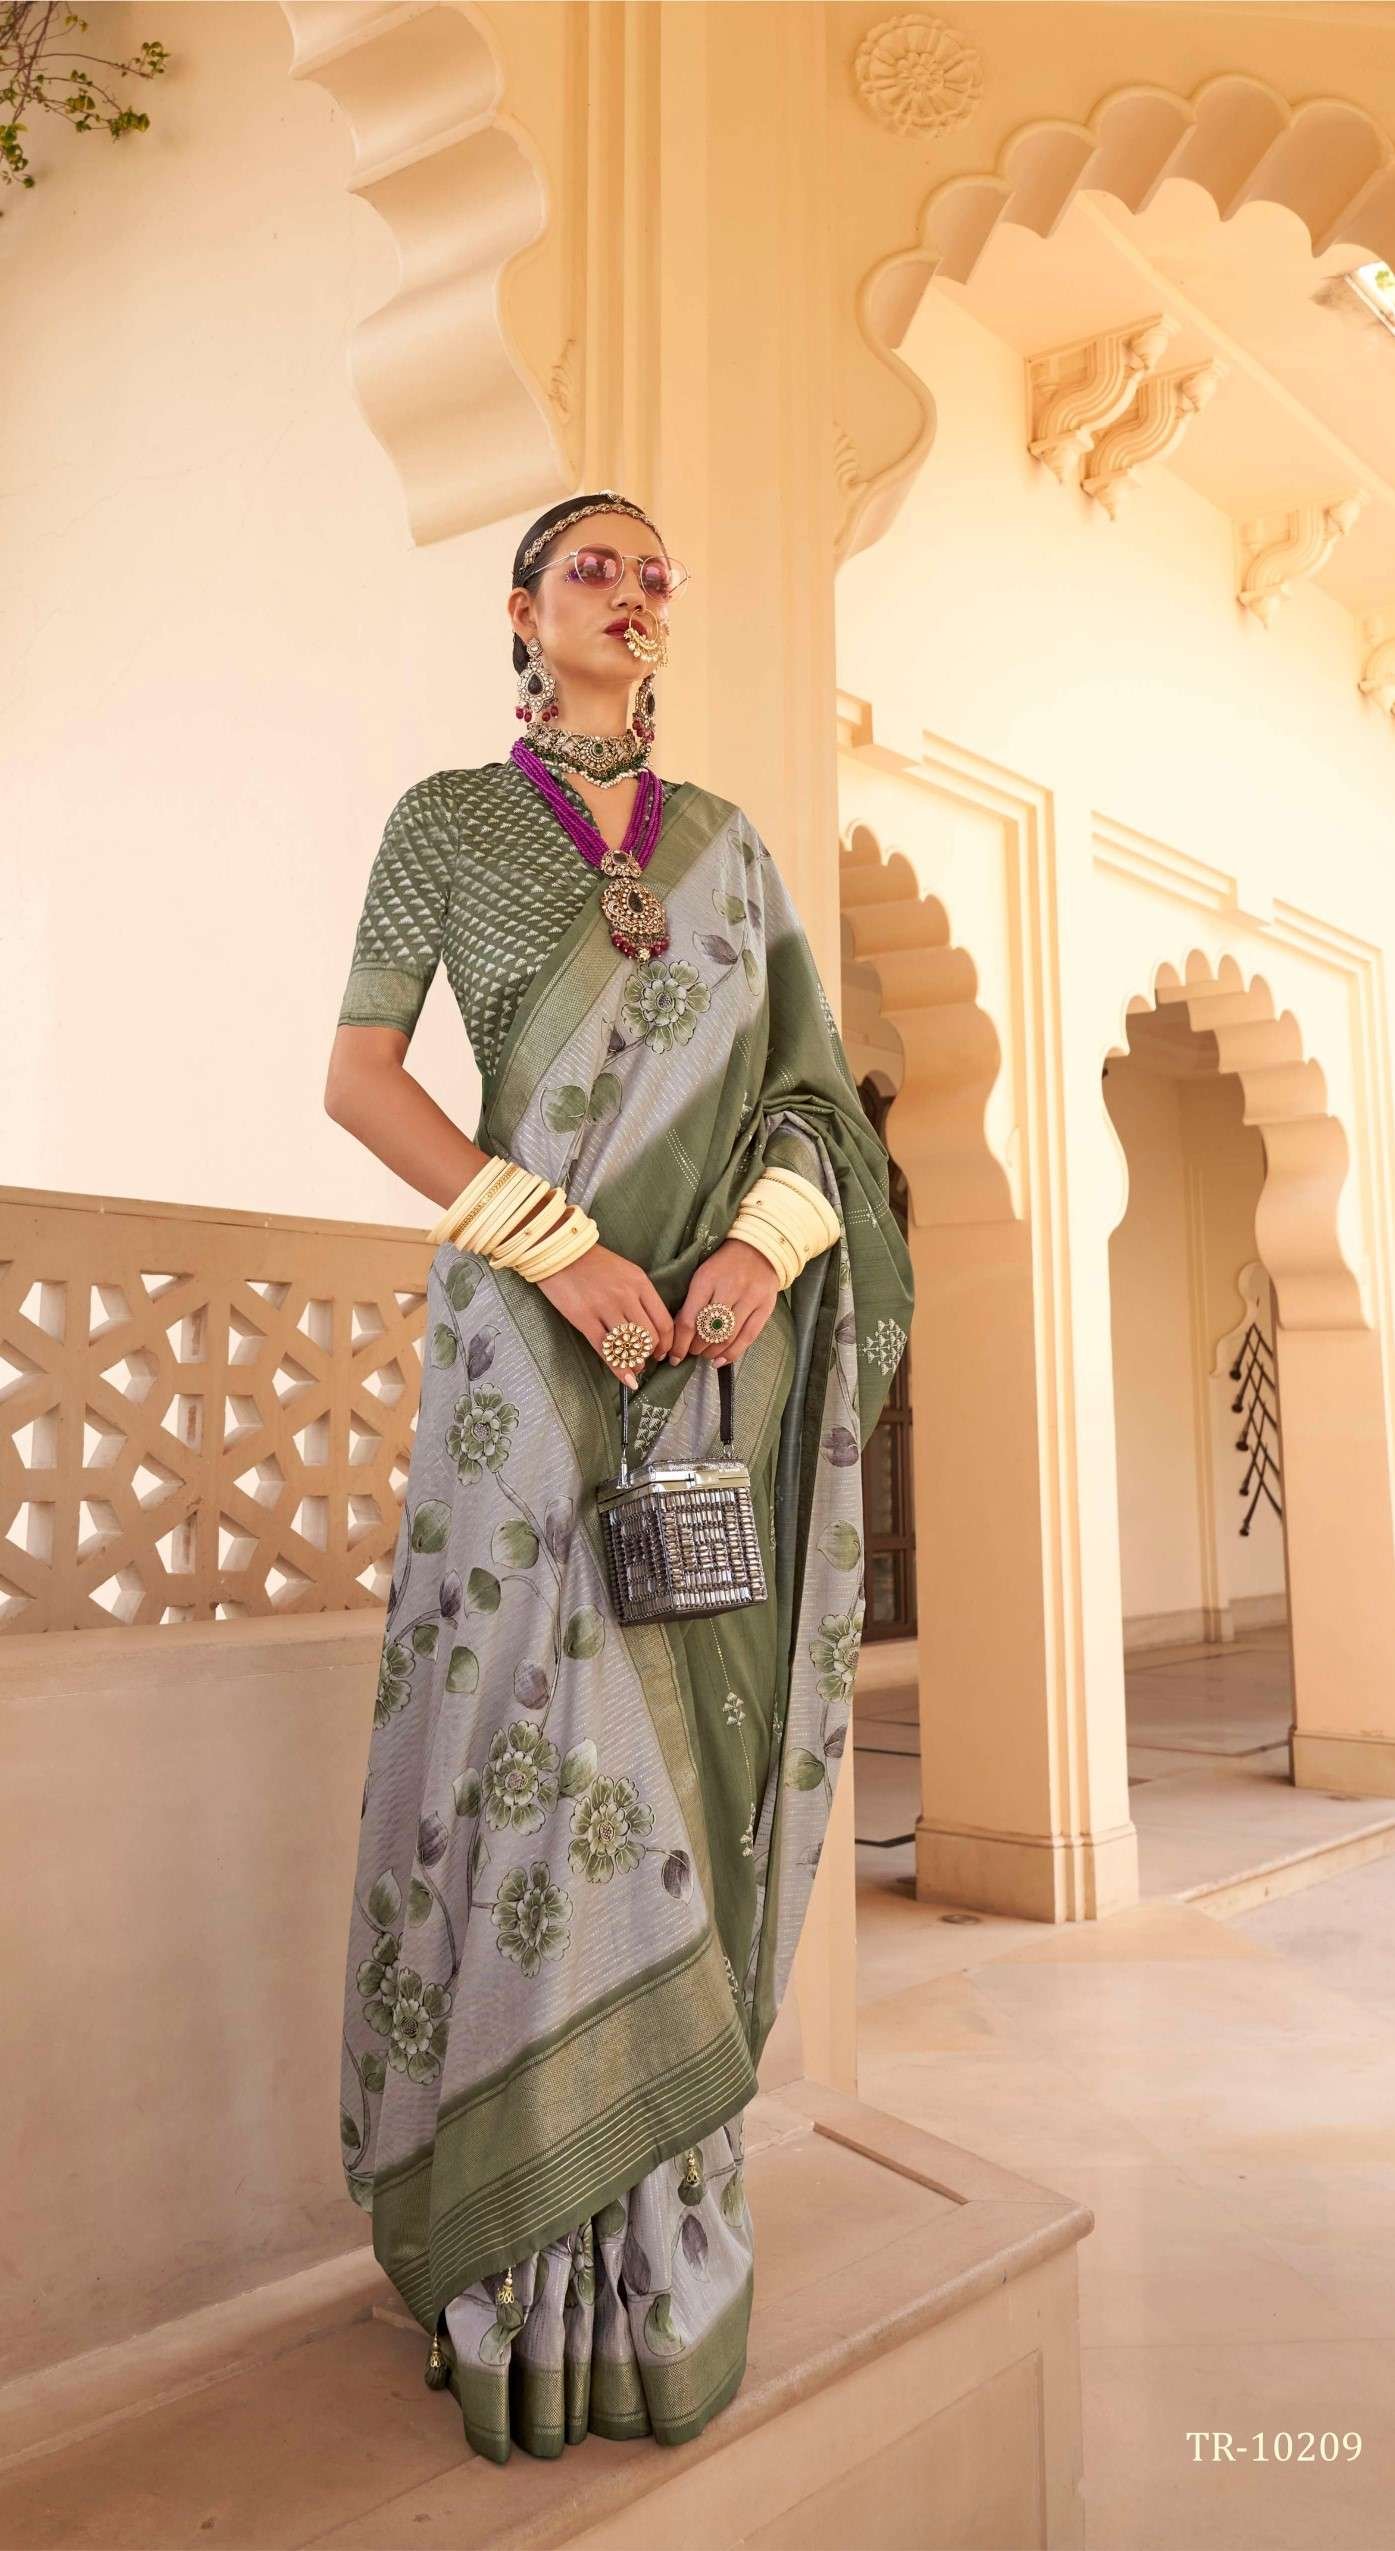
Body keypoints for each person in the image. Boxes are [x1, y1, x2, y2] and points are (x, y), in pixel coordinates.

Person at [325, 490, 914, 2464]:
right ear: (522, 608)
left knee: (671, 1767)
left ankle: (657, 2249)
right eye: (595, 566)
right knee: (524, 1752)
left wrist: (760, 1245)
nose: (635, 594)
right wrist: (554, 1243)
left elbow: (811, 1106)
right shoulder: (445, 824)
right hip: (528, 1355)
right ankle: (511, 2258)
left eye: (659, 573)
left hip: (699, 1376)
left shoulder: (730, 851)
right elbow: (359, 1077)